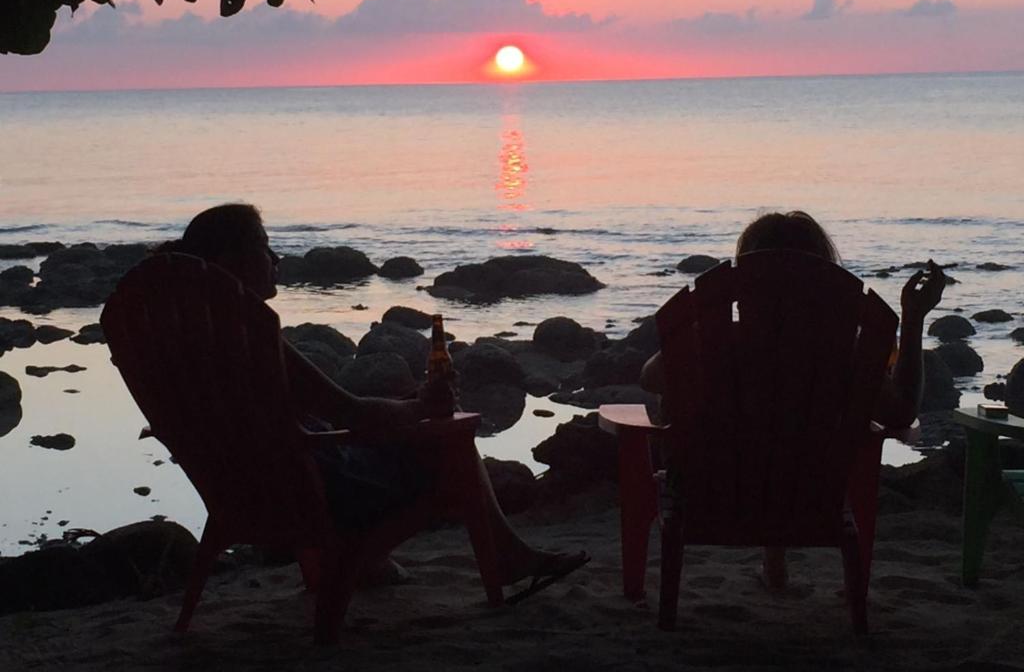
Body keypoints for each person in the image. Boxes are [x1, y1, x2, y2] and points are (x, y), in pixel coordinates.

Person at [155, 203, 587, 599]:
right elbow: (351, 413)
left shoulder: (176, 340)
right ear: (231, 262)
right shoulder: (248, 334)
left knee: (410, 416)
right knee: (449, 437)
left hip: (242, 490)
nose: (276, 261)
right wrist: (419, 408)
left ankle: (374, 563)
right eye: (266, 249)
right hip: (317, 492)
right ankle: (498, 558)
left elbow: (319, 411)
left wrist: (405, 405)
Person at [640, 210, 945, 590]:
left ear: (743, 280)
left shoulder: (716, 342)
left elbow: (651, 377)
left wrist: (702, 328)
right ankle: (776, 559)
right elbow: (902, 411)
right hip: (811, 496)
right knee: (789, 431)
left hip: (711, 493)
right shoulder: (840, 357)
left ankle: (772, 561)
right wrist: (913, 320)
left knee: (693, 411)